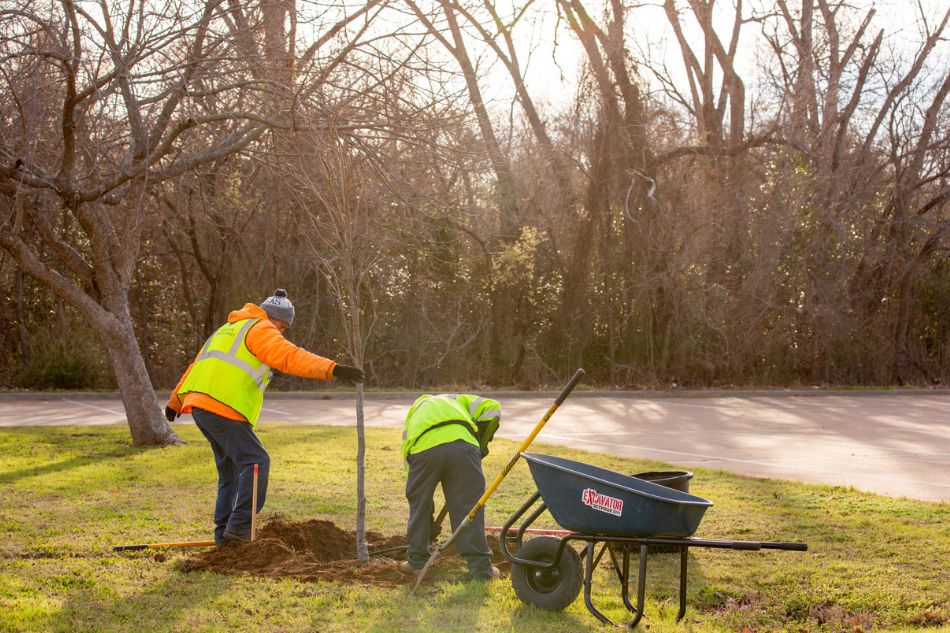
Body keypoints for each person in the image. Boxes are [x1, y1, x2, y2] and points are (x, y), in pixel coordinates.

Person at [165, 289, 364, 546]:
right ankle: (239, 529)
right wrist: (333, 369)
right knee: (256, 461)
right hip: (224, 406)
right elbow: (289, 356)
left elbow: (197, 365)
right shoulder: (261, 328)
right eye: (282, 327)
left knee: (231, 472)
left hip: (200, 405)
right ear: (276, 320)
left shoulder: (228, 328)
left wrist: (175, 401)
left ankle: (224, 536)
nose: (281, 333)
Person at [400, 393, 502, 580]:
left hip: (423, 449)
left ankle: (416, 562)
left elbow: (408, 457)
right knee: (470, 509)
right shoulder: (459, 399)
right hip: (464, 447)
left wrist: (423, 507)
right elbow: (493, 408)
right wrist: (481, 441)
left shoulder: (415, 411)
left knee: (419, 506)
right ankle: (481, 571)